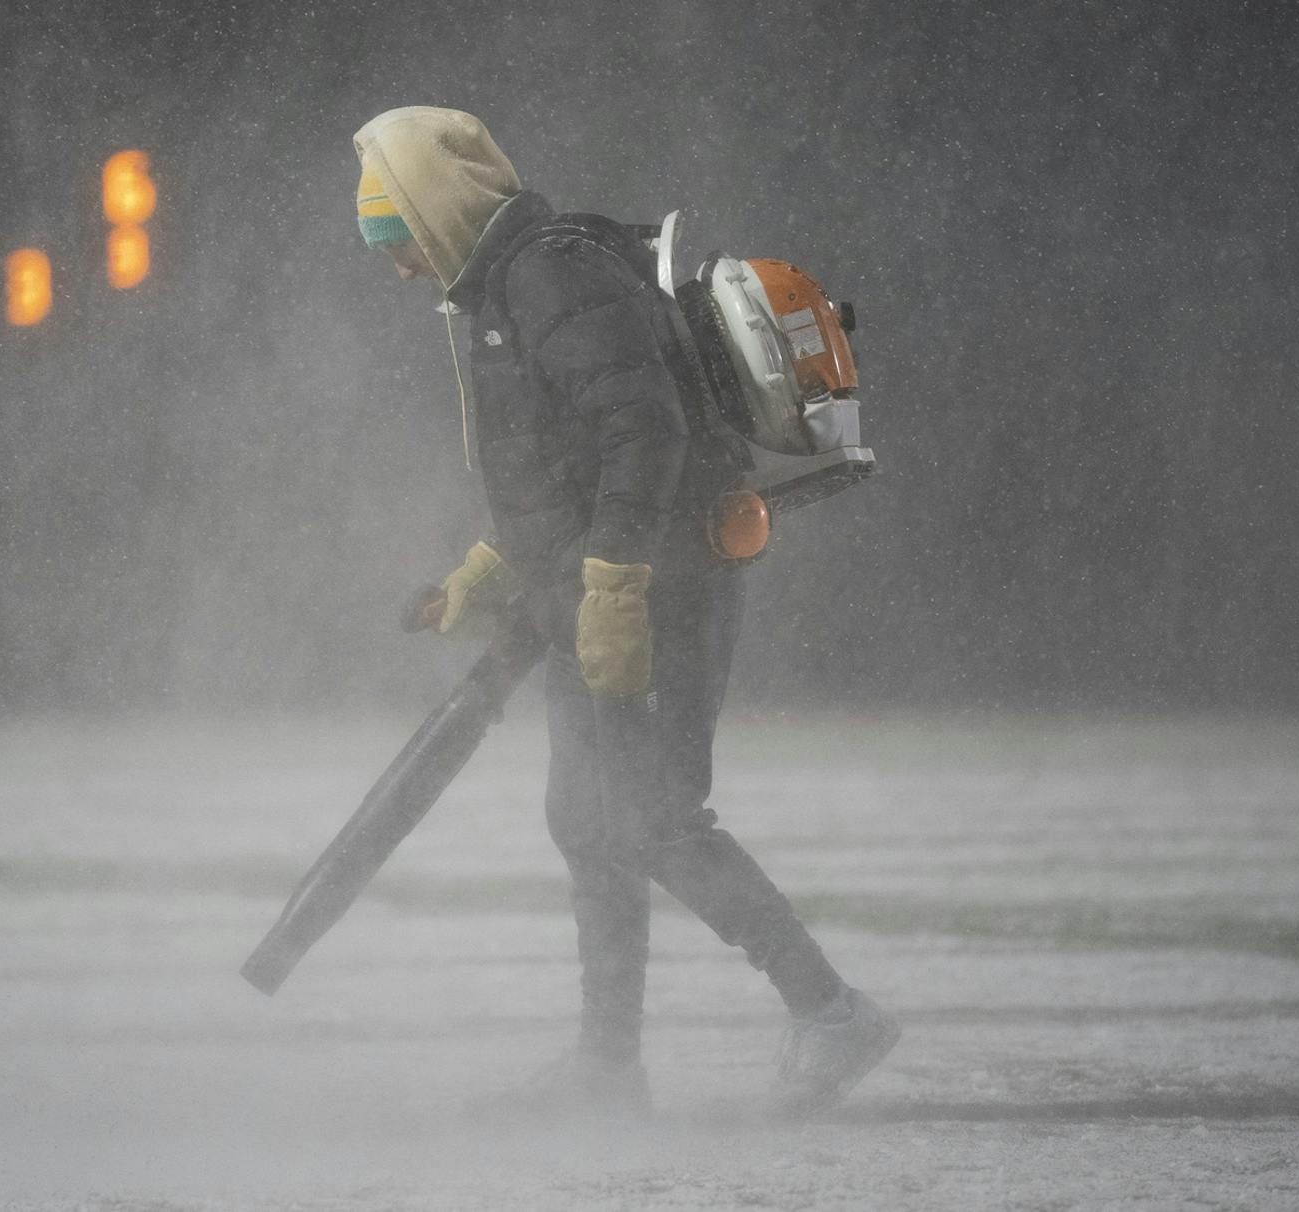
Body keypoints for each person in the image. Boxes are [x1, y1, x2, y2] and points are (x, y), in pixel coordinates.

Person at [352, 106, 899, 1118]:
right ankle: (609, 1067)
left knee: (649, 818)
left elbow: (643, 435)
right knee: (588, 819)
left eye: (397, 242)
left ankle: (832, 1015)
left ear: (438, 212)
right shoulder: (497, 293)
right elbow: (556, 467)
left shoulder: (547, 275)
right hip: (592, 590)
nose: (396, 268)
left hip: (661, 588)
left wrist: (613, 585)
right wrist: (485, 567)